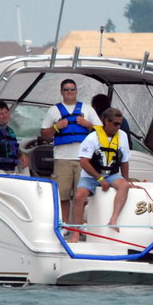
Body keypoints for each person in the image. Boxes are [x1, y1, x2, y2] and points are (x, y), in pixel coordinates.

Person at [66, 107, 133, 244]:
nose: (118, 127)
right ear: (106, 121)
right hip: (91, 175)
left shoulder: (122, 136)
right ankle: (75, 234)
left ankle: (113, 219)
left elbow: (124, 161)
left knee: (124, 186)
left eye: (120, 124)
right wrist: (100, 179)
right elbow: (84, 162)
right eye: (115, 124)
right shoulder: (92, 137)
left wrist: (126, 180)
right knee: (79, 196)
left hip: (112, 174)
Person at [39, 79, 101, 221]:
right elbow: (44, 135)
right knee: (62, 195)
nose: (69, 92)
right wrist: (56, 127)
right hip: (62, 159)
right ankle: (65, 225)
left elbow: (101, 131)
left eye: (72, 89)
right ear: (61, 92)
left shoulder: (87, 109)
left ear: (76, 91)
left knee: (82, 195)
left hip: (84, 160)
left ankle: (79, 225)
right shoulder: (53, 110)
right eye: (66, 89)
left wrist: (87, 124)